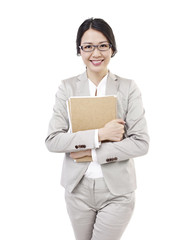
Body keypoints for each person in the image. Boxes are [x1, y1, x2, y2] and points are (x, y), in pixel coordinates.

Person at [45, 18, 149, 240]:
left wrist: (90, 153)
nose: (96, 53)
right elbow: (53, 140)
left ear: (112, 48)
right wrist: (99, 135)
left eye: (103, 45)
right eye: (88, 47)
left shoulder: (128, 88)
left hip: (117, 192)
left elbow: (141, 142)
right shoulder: (67, 87)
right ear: (79, 50)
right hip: (77, 191)